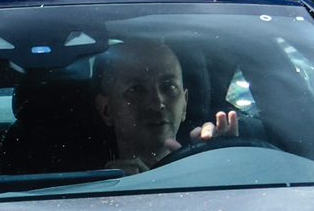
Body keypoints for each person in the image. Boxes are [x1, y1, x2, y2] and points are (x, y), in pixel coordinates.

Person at [92, 38, 236, 171]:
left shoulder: (207, 171)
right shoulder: (85, 189)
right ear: (106, 109)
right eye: (136, 90)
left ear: (185, 103)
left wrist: (222, 161)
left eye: (169, 87)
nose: (156, 104)